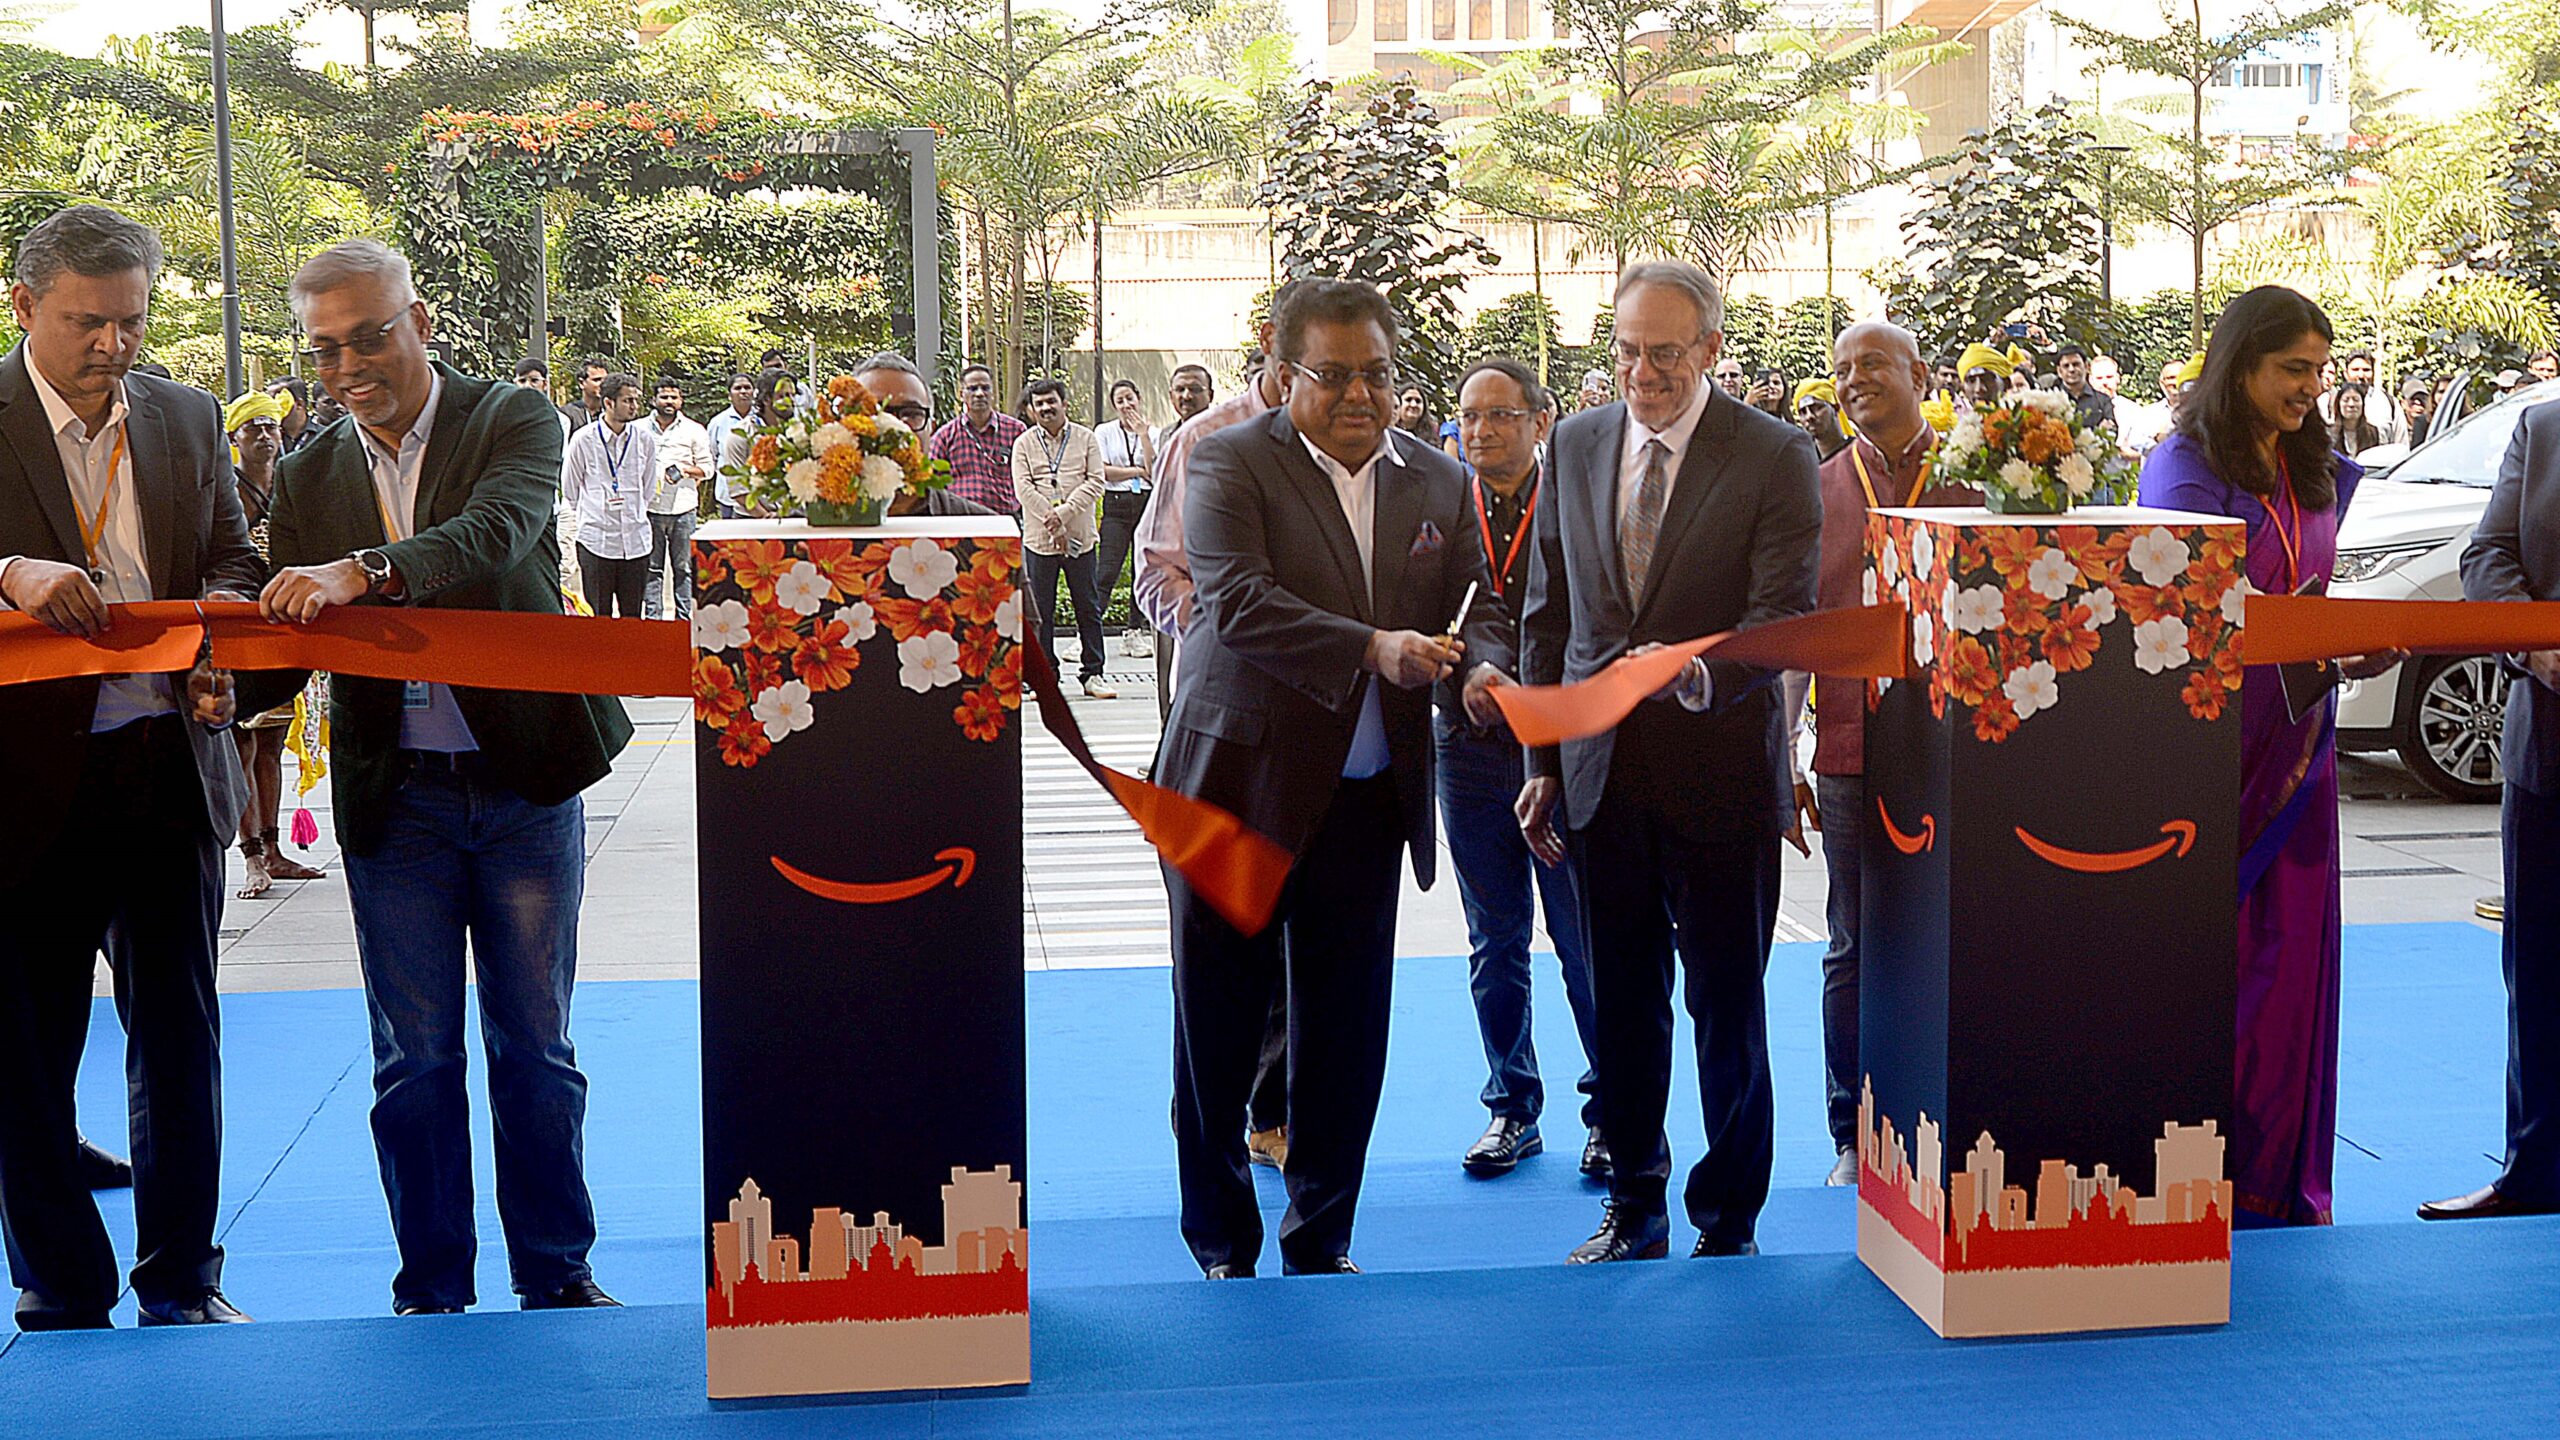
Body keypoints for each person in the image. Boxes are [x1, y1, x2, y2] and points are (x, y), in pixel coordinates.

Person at [248, 237, 631, 1316]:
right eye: (325, 350)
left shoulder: (511, 417)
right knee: (411, 1063)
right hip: (395, 795)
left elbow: (501, 536)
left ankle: (556, 1274)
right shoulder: (311, 468)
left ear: (419, 322)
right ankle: (432, 1288)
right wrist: (219, 675)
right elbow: (286, 629)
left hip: (524, 784)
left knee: (536, 1047)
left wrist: (365, 571)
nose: (348, 366)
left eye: (368, 337)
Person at [1157, 278, 1510, 1277]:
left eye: (1379, 375)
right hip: (1231, 790)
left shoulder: (1437, 479)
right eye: (1335, 374)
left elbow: (1470, 604)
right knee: (1215, 1024)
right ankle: (1222, 1240)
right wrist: (1373, 648)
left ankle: (1322, 1236)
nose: (1361, 395)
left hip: (1366, 797)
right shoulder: (1227, 459)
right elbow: (1238, 604)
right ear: (1282, 374)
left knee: (1347, 1030)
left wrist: (1476, 665)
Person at [1511, 260, 1820, 1264]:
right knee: (1623, 1004)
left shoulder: (1773, 453)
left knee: (1726, 1003)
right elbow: (1547, 615)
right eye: (1626, 350)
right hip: (1599, 776)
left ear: (1711, 350)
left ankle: (1726, 1218)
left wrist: (1684, 674)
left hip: (1722, 772)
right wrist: (1543, 760)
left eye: (1664, 354)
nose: (1640, 373)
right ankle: (1634, 1205)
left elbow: (1780, 620)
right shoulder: (1574, 440)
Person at [0, 204, 261, 1331]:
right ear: (23, 308)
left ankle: (183, 1282)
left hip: (167, 770)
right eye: (85, 323)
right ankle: (61, 1283)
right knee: (25, 1054)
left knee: (181, 1041)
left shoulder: (187, 416)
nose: (112, 345)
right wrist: (8, 570)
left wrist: (221, 661)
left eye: (130, 322)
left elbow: (236, 565)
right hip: (21, 789)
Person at [2137, 286, 2401, 1227]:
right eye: (2295, 369)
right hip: (2209, 758)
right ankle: (2201, 1184)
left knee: (2292, 969)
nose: (2312, 389)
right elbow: (2171, 614)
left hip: (2302, 749)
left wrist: (2347, 647)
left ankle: (2281, 1183)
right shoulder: (2183, 467)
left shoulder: (2317, 466)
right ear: (2239, 363)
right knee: (2216, 969)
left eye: (2322, 371)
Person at [1802, 321, 1983, 1188]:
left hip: (1964, 748)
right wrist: (1780, 759)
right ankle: (1852, 1129)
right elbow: (1791, 626)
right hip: (1847, 745)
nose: (1853, 380)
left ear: (1920, 370)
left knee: (1963, 932)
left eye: (1871, 363)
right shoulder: (1814, 486)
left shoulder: (1980, 476)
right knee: (1853, 940)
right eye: (1841, 370)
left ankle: (1958, 1113)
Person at [1137, 288, 1305, 1165]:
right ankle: (1206, 1134)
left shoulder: (1363, 448)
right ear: (1273, 343)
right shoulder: (1204, 441)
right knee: (1213, 943)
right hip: (1217, 731)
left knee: (1295, 942)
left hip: (1322, 737)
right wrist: (1232, 642)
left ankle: (1275, 1115)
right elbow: (1158, 577)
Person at [1443, 358, 1604, 1180]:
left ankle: (1611, 1111)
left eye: (1501, 415)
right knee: (1493, 937)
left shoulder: (1579, 498)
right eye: (1469, 416)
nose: (1482, 431)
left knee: (1583, 936)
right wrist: (1466, 670)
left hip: (1568, 749)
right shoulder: (1438, 503)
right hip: (1468, 746)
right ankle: (1512, 1108)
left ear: (1541, 422)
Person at [2430, 359, 2560, 1220]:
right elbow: (2488, 555)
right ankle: (2535, 1172)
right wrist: (2533, 647)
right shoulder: (2542, 430)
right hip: (2548, 743)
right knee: (2542, 969)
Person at [226, 389, 328, 899]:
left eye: (271, 427)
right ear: (235, 438)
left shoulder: (292, 485)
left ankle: (275, 848)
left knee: (272, 745)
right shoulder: (226, 490)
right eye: (254, 429)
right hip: (243, 627)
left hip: (286, 628)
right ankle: (250, 858)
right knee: (242, 742)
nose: (265, 436)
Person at [1012, 377, 1116, 698]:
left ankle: (1093, 674)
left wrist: (1065, 513)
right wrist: (1051, 519)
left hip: (1080, 538)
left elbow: (1096, 481)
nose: (1046, 408)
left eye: (1051, 401)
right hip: (1039, 540)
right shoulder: (1024, 443)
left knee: (1088, 606)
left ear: (1064, 403)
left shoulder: (1086, 439)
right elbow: (1023, 488)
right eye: (1039, 403)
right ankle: (1045, 677)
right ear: (1031, 410)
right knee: (1041, 611)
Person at [847, 354, 999, 520]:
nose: (894, 427)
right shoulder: (818, 529)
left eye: (911, 414)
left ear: (931, 429)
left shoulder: (980, 533)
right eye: (875, 412)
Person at [561, 372, 656, 618]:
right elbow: (570, 490)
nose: (634, 406)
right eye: (627, 400)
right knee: (599, 615)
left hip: (635, 541)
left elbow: (648, 486)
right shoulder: (583, 439)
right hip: (596, 541)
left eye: (636, 400)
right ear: (608, 403)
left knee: (632, 615)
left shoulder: (644, 439)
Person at [1093, 378, 1158, 661]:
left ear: (1139, 398)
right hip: (1116, 505)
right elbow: (1102, 470)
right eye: (1120, 400)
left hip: (1146, 502)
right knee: (1107, 570)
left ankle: (1135, 631)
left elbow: (1154, 471)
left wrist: (1143, 436)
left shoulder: (1154, 432)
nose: (1126, 405)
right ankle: (1088, 632)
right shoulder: (1104, 431)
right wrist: (1136, 471)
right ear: (1114, 405)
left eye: (1130, 398)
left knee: (1141, 570)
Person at [642, 377, 710, 620]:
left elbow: (708, 469)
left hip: (683, 509)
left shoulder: (694, 430)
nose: (668, 401)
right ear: (654, 400)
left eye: (673, 397)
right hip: (649, 508)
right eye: (664, 397)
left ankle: (684, 622)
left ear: (681, 400)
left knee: (684, 569)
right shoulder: (638, 428)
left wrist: (685, 470)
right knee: (651, 569)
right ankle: (653, 621)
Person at [928, 363, 1026, 515]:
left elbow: (1029, 475)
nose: (979, 394)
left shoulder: (1015, 430)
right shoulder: (945, 436)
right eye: (972, 388)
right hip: (961, 520)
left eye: (985, 388)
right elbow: (933, 482)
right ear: (961, 394)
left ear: (993, 392)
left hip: (1005, 519)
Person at [720, 369, 799, 504]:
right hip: (752, 519)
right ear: (767, 399)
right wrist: (764, 516)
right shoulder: (741, 434)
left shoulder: (799, 431)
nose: (790, 401)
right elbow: (738, 489)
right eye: (783, 395)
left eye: (792, 395)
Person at [703, 372, 758, 518]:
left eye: (747, 387)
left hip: (759, 497)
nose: (743, 392)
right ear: (729, 395)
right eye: (738, 388)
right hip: (728, 496)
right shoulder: (718, 422)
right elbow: (712, 455)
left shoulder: (761, 420)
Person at [2054, 344, 2116, 431]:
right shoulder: (2051, 401)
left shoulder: (2103, 401)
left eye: (2076, 364)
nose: (2071, 369)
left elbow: (2110, 429)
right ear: (2059, 371)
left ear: (2086, 366)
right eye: (2066, 366)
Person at [1791, 377, 1851, 461]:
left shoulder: (1860, 450)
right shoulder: (1804, 464)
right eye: (1803, 412)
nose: (1809, 416)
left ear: (1835, 408)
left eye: (1817, 408)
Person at [2332, 382, 2383, 457]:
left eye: (2356, 400)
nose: (2351, 404)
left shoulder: (2373, 433)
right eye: (2346, 400)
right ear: (2338, 404)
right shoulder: (2330, 433)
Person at [1165, 364, 1215, 435]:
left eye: (1195, 389)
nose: (1186, 396)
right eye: (1180, 389)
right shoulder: (1166, 434)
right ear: (1171, 396)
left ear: (1210, 395)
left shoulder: (1224, 433)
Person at [2400, 374, 2437, 448]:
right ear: (2403, 403)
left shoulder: (2433, 427)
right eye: (2413, 399)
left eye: (2422, 399)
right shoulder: (2398, 430)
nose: (2418, 403)